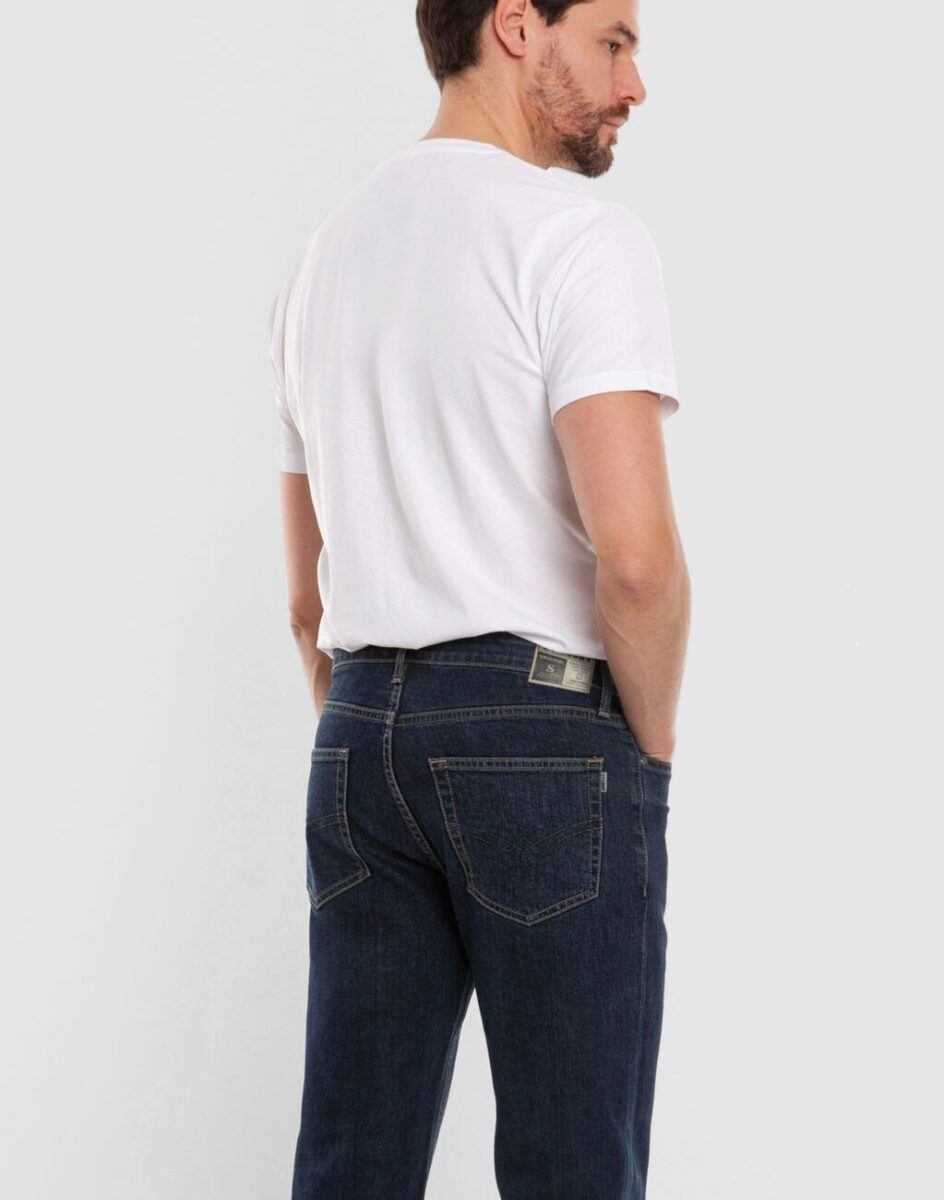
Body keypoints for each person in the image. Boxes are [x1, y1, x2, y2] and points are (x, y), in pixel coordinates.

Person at [267, 1, 691, 1196]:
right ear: (514, 25)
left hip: (356, 734)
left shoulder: (321, 260)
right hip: (542, 738)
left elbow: (303, 600)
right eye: (612, 41)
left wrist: (376, 722)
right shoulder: (572, 239)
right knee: (573, 1168)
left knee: (351, 1164)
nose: (634, 83)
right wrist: (647, 755)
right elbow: (637, 561)